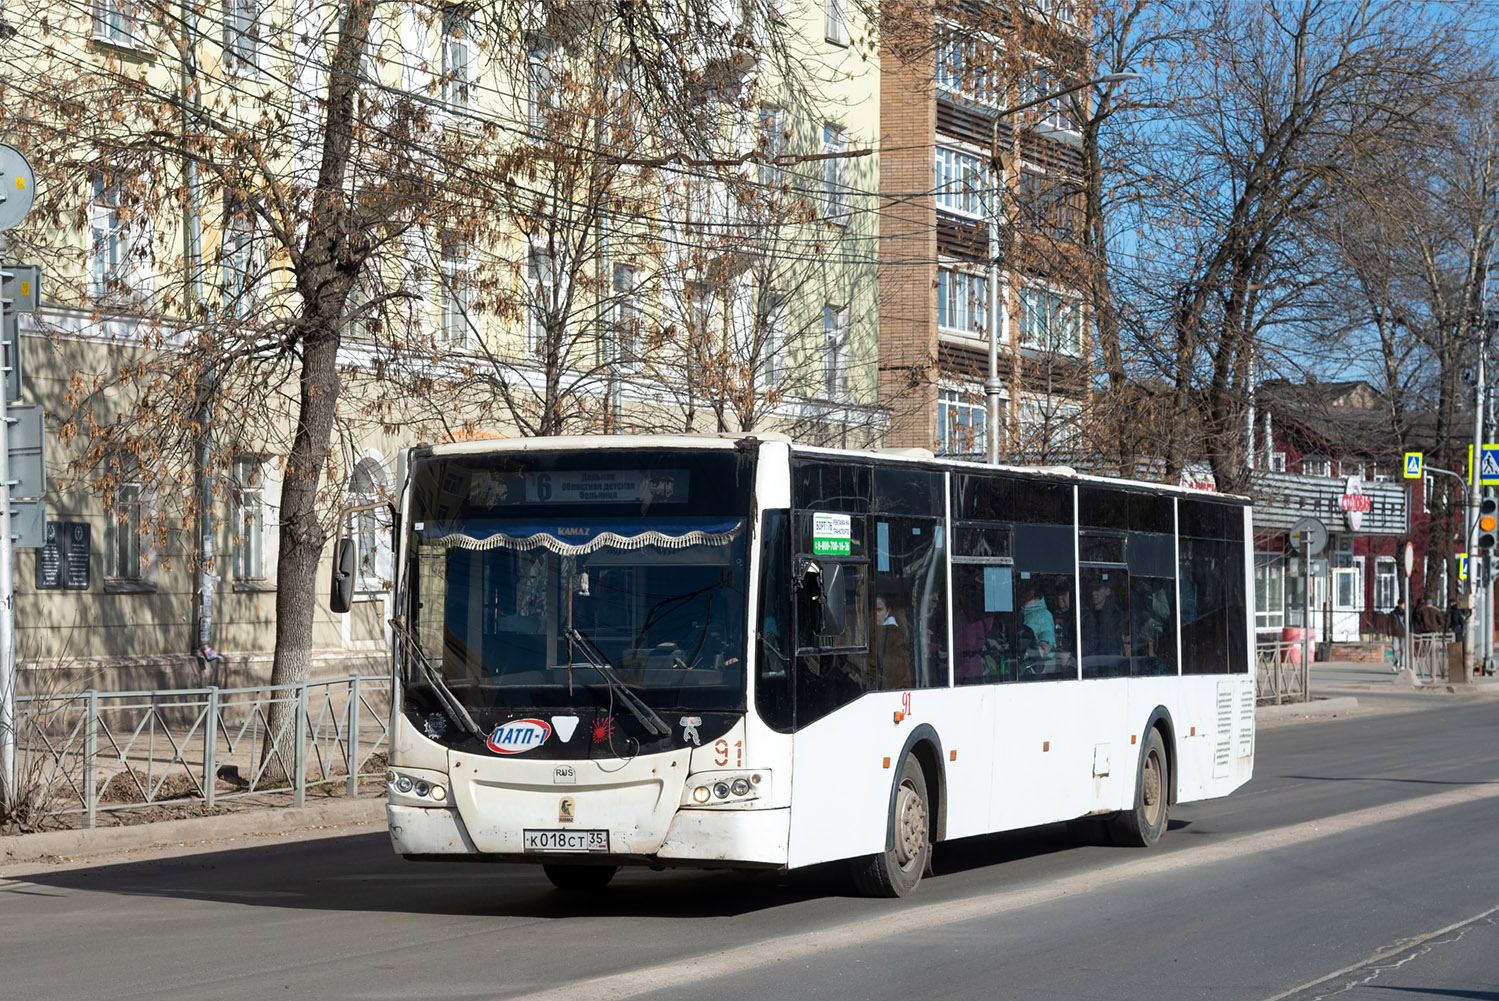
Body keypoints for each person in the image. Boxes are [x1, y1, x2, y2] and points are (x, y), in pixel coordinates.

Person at [873, 593, 913, 690]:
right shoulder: (870, 633)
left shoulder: (894, 635)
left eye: (879, 609)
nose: (875, 614)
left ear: (888, 611)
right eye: (872, 610)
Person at [1388, 598, 1406, 672]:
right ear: (1399, 604)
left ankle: (1402, 665)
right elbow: (1389, 624)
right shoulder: (1393, 613)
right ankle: (1395, 663)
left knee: (1403, 649)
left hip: (1403, 633)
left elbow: (1410, 623)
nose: (1404, 606)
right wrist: (1389, 633)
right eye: (1403, 604)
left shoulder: (1406, 613)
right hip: (1395, 633)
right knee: (1395, 649)